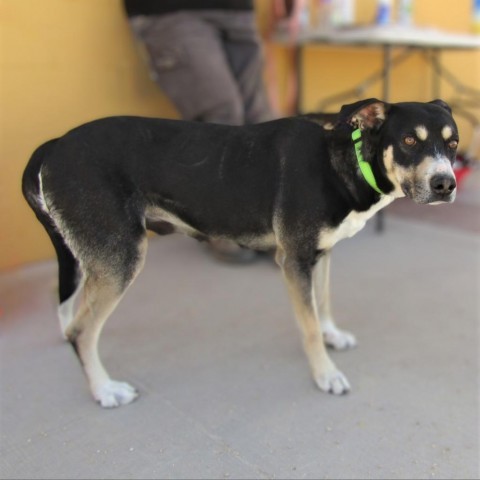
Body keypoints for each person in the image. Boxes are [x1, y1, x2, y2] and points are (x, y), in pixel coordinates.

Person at [123, 0, 275, 263]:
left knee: (260, 122)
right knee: (221, 118)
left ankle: (265, 225)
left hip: (238, 10)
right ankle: (224, 228)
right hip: (173, 10)